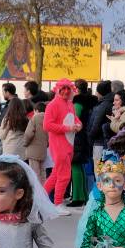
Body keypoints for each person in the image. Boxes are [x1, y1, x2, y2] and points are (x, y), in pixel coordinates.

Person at [43, 79, 81, 213]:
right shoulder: (53, 105)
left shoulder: (70, 104)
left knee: (56, 174)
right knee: (64, 175)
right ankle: (57, 203)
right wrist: (68, 128)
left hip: (68, 144)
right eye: (63, 89)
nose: (66, 92)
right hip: (59, 145)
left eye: (68, 89)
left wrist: (78, 124)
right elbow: (47, 125)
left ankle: (38, 200)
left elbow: (75, 118)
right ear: (57, 90)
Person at [21, 100, 49, 183]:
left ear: (36, 110)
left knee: (35, 173)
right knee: (43, 173)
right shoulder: (48, 119)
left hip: (33, 151)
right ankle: (44, 191)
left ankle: (37, 193)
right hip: (43, 150)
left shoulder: (34, 118)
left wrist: (25, 143)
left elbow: (28, 134)